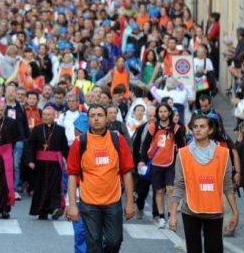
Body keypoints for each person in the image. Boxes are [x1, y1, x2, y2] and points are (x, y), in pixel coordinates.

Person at [66, 104, 136, 252]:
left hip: (113, 202)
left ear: (107, 119)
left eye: (100, 115)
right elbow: (72, 175)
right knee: (93, 245)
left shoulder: (118, 140)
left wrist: (130, 202)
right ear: (88, 120)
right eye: (92, 115)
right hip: (88, 203)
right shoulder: (80, 143)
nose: (96, 118)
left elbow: (127, 173)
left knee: (114, 242)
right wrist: (72, 204)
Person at [168, 115, 240, 253]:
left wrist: (235, 212)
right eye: (195, 127)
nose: (198, 130)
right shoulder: (182, 154)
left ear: (210, 130)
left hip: (214, 211)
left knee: (215, 249)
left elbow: (228, 186)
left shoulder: (223, 153)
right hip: (190, 210)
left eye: (202, 126)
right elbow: (178, 185)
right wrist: (172, 215)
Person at [138, 103, 185, 229]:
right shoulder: (153, 127)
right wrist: (142, 160)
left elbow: (182, 147)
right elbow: (145, 144)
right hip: (156, 163)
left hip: (171, 163)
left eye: (165, 111)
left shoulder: (176, 129)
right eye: (160, 112)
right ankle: (161, 217)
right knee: (159, 191)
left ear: (169, 113)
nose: (162, 114)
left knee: (170, 190)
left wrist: (183, 163)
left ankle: (171, 215)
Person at [27, 106, 69, 220]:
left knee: (54, 187)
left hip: (55, 164)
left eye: (49, 115)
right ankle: (42, 211)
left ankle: (55, 208)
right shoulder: (37, 129)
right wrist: (30, 160)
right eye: (44, 114)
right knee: (40, 187)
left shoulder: (60, 130)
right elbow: (30, 146)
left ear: (54, 116)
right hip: (40, 164)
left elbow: (64, 147)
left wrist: (68, 160)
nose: (46, 117)